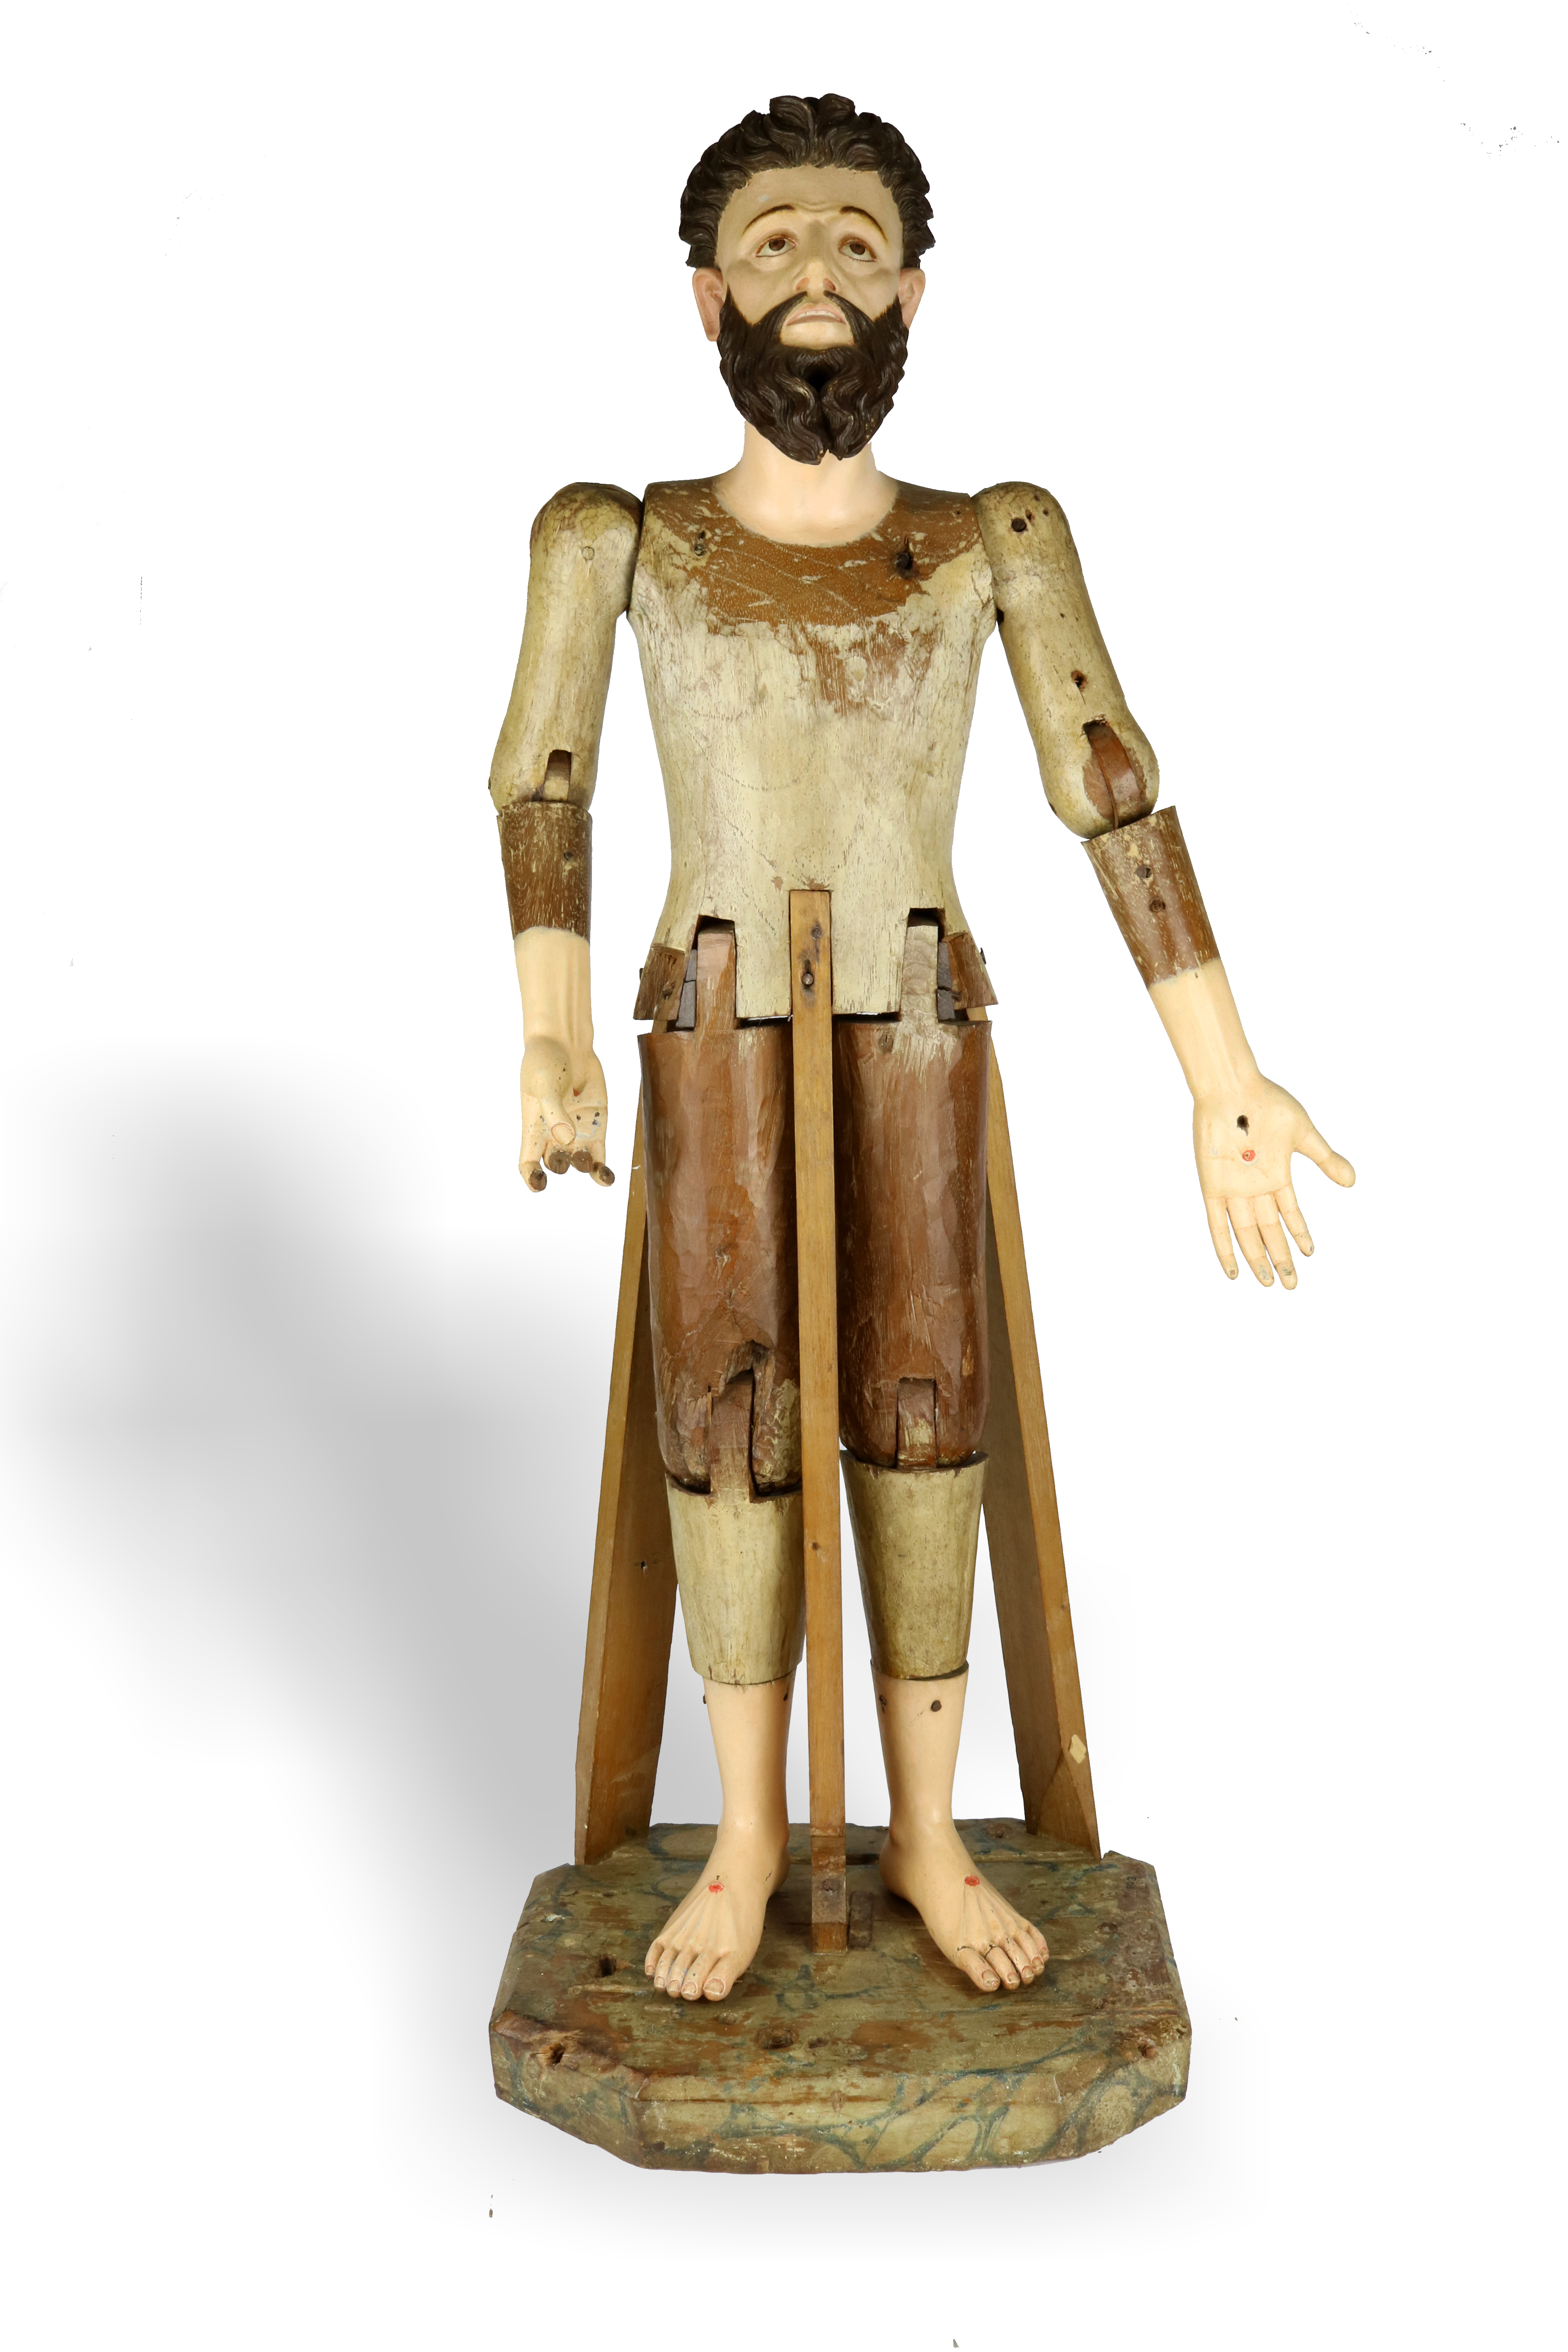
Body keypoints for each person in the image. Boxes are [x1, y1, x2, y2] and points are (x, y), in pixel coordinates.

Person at [486, 94, 1354, 2007]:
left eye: (856, 243)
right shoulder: (618, 541)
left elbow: (1111, 793)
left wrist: (1223, 1076)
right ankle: (740, 1837)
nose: (817, 272)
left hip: (919, 1024)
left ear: (915, 295)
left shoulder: (988, 543)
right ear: (705, 296)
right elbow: (543, 783)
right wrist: (550, 1035)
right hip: (712, 1021)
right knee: (726, 1411)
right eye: (774, 242)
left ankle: (934, 1834)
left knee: (924, 1399)